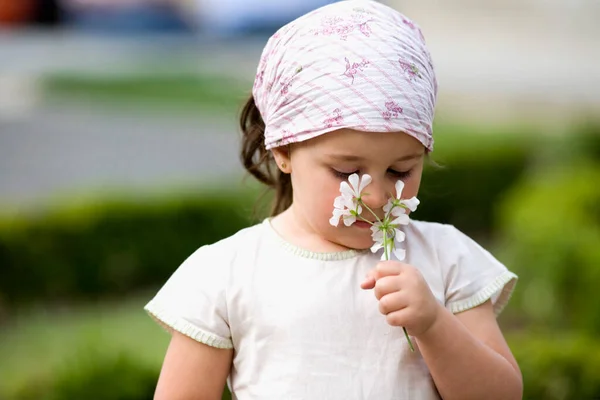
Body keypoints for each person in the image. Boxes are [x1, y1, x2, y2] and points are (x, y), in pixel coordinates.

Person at [144, 1, 523, 399]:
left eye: (400, 171)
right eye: (346, 173)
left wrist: (434, 324)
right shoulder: (227, 274)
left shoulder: (446, 260)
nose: (375, 196)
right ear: (284, 151)